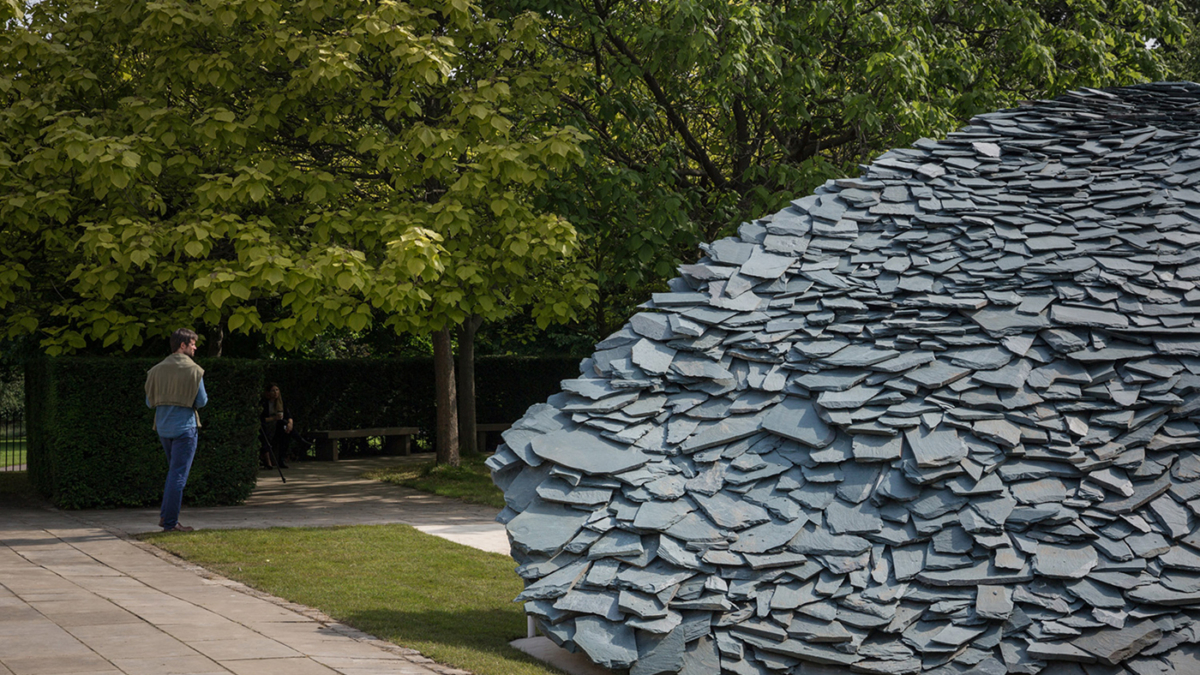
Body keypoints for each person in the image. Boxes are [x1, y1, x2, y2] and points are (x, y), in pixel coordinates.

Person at [144, 328, 207, 533]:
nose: (195, 347)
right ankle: (170, 522)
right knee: (178, 475)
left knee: (173, 474)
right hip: (185, 428)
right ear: (183, 345)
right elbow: (202, 401)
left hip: (163, 427)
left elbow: (149, 402)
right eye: (192, 344)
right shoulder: (194, 370)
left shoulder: (155, 370)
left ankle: (165, 517)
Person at [260, 382, 294, 469]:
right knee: (265, 434)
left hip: (279, 424)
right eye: (272, 391)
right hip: (267, 425)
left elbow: (288, 415)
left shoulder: (281, 402)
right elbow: (261, 418)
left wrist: (290, 423)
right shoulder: (264, 403)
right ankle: (267, 461)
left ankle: (282, 459)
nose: (275, 393)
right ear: (268, 392)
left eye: (277, 390)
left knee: (286, 430)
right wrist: (274, 418)